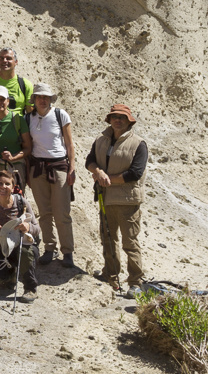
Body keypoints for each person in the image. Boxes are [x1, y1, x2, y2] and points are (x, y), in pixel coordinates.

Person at [87, 103, 149, 295]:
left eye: (122, 117)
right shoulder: (100, 139)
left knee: (129, 242)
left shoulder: (139, 143)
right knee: (107, 238)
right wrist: (98, 172)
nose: (118, 120)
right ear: (109, 119)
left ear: (129, 121)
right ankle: (110, 275)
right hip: (105, 198)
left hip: (127, 201)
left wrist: (107, 179)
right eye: (115, 116)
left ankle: (135, 282)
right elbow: (89, 161)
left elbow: (135, 173)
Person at [26, 82, 77, 268]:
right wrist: (28, 173)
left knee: (62, 212)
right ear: (34, 99)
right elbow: (28, 146)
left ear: (50, 99)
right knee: (45, 212)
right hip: (37, 168)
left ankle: (68, 251)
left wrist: (72, 167)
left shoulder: (59, 114)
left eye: (45, 97)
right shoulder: (28, 118)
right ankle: (49, 247)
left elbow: (70, 144)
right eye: (39, 97)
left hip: (59, 166)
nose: (42, 100)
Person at [0, 169, 40, 302]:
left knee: (25, 252)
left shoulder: (21, 203)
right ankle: (12, 274)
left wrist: (28, 227)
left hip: (20, 246)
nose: (3, 187)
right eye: (0, 184)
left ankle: (30, 288)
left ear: (13, 187)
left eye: (7, 184)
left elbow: (37, 228)